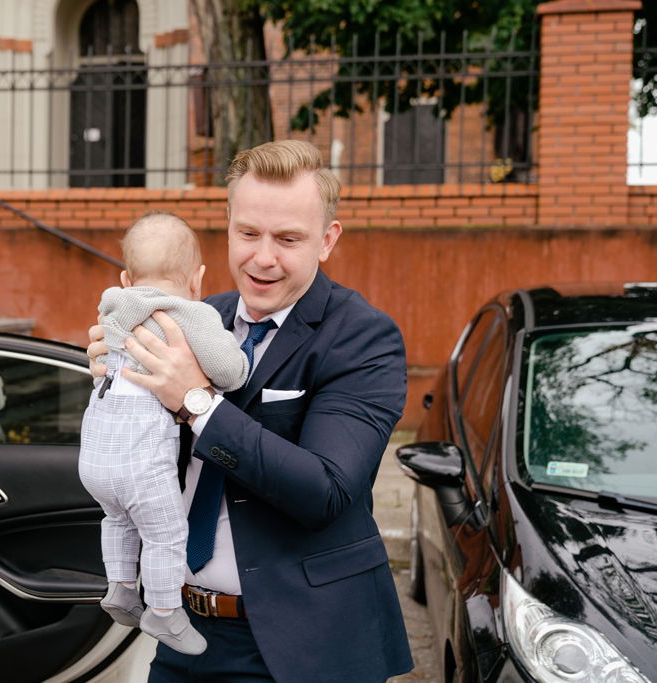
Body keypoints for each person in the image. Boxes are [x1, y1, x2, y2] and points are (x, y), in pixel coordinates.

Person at [87, 140, 413, 682]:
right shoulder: (193, 318)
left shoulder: (363, 337)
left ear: (327, 240)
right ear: (229, 226)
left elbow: (325, 490)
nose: (264, 258)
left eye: (288, 239)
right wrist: (117, 384)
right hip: (182, 631)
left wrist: (196, 402)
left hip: (302, 647)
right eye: (248, 234)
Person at [79, 212, 249, 656]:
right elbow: (229, 372)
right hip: (140, 459)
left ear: (125, 277)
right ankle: (165, 610)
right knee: (165, 534)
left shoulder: (111, 309)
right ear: (197, 278)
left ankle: (119, 587)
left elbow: (100, 361)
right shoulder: (191, 313)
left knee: (116, 518)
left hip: (94, 454)